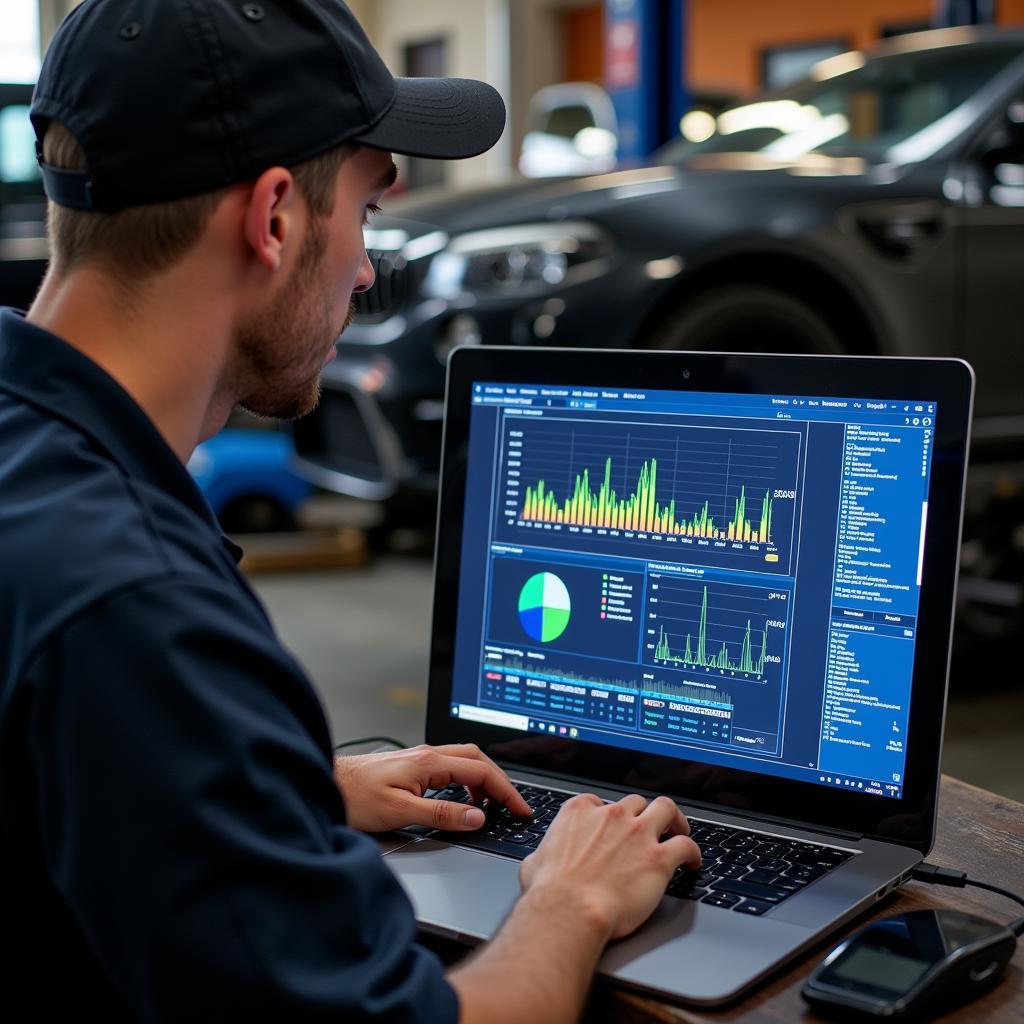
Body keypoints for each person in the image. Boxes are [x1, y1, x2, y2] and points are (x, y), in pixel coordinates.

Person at [0, 2, 701, 1021]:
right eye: (366, 215)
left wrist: (261, 794)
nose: (366, 271)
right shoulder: (136, 610)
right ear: (275, 218)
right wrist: (569, 900)